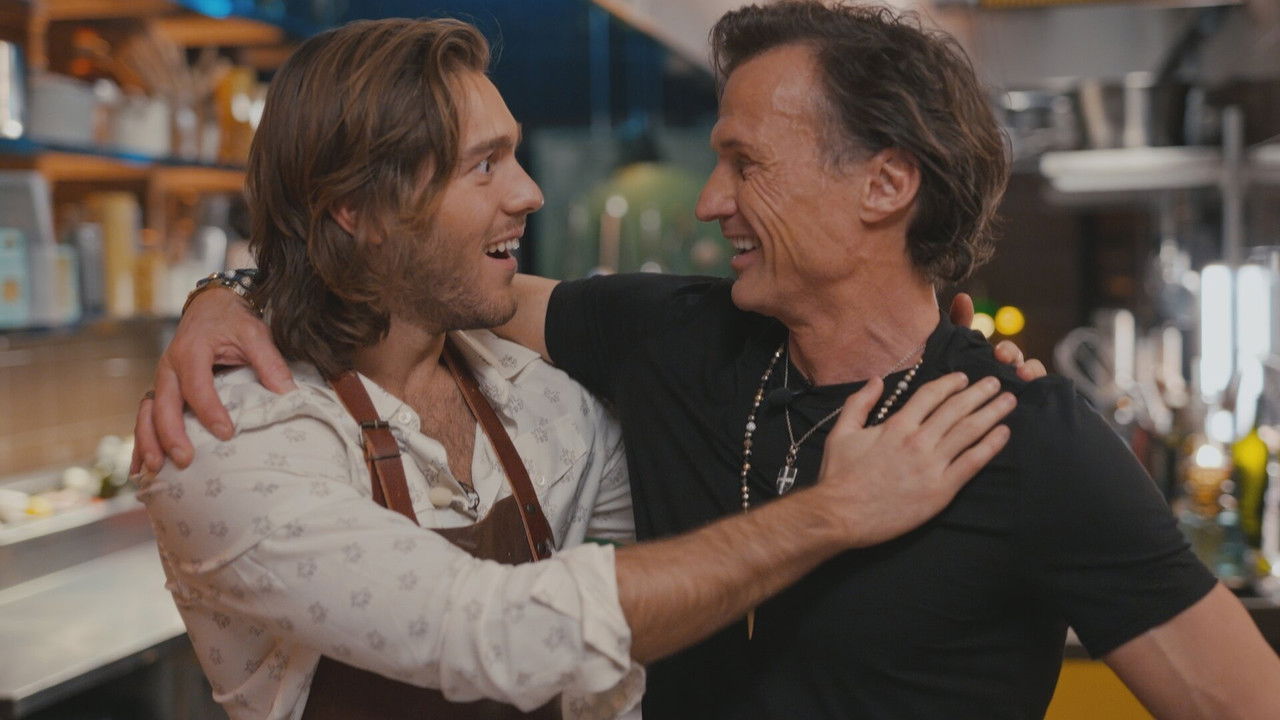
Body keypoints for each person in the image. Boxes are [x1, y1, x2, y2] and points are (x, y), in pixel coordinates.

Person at [144, 3, 1278, 719]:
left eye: (744, 162)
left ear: (884, 184)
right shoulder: (669, 339)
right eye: (485, 164)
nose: (707, 200)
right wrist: (229, 294)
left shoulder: (1023, 437)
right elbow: (414, 278)